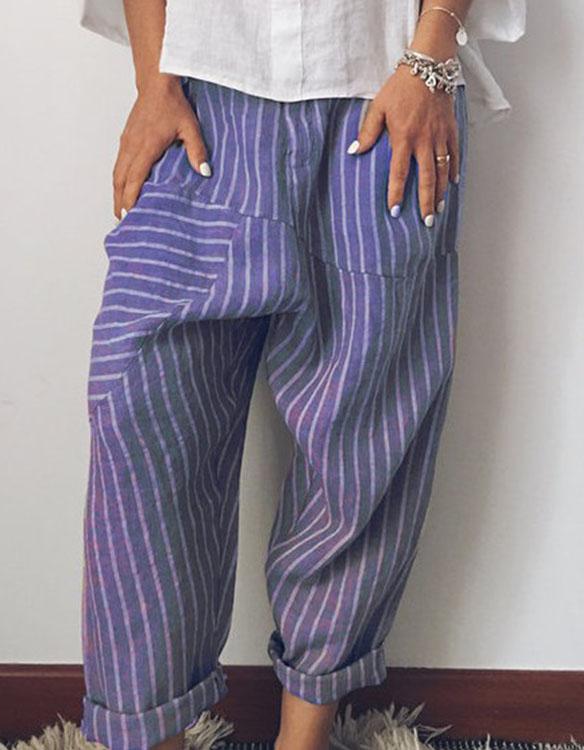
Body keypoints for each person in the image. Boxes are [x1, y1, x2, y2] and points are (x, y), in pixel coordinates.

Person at [78, 1, 525, 749]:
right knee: (140, 415)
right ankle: (152, 733)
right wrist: (153, 78)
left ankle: (303, 740)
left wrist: (430, 53)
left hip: (384, 93)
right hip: (202, 96)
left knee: (361, 442)